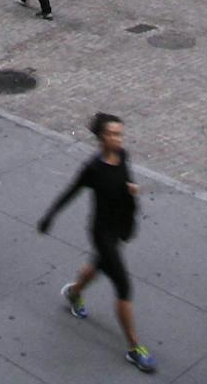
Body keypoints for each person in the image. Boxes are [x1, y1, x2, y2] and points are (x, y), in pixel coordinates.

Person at [38, 113, 156, 375]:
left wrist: (132, 190)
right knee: (123, 286)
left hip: (119, 229)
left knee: (99, 265)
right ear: (101, 137)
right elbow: (71, 191)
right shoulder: (93, 168)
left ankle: (74, 292)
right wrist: (49, 217)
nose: (117, 138)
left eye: (120, 134)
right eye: (112, 134)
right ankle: (134, 348)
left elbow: (127, 181)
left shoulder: (124, 155)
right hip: (102, 232)